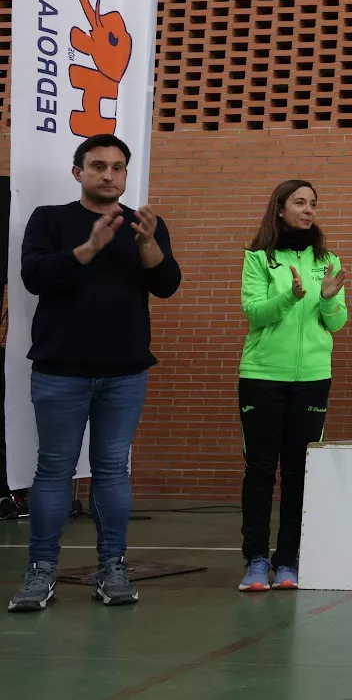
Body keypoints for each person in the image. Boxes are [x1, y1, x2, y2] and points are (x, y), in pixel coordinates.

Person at [8, 135, 182, 613]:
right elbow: (34, 277)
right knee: (54, 472)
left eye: (118, 167)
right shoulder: (49, 219)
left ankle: (113, 568)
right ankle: (41, 571)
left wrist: (148, 244)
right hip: (60, 369)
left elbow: (167, 285)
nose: (109, 174)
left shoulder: (144, 225)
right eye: (98, 165)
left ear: (126, 173)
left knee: (111, 471)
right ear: (77, 171)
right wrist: (87, 249)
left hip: (125, 371)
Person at [236, 180, 348, 592]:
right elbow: (254, 313)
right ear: (280, 209)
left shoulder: (328, 260)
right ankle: (255, 560)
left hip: (313, 380)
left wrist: (328, 298)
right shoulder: (259, 258)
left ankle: (287, 560)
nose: (308, 209)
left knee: (299, 472)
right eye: (299, 202)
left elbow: (337, 323)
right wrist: (290, 297)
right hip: (262, 377)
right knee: (261, 471)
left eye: (313, 203)